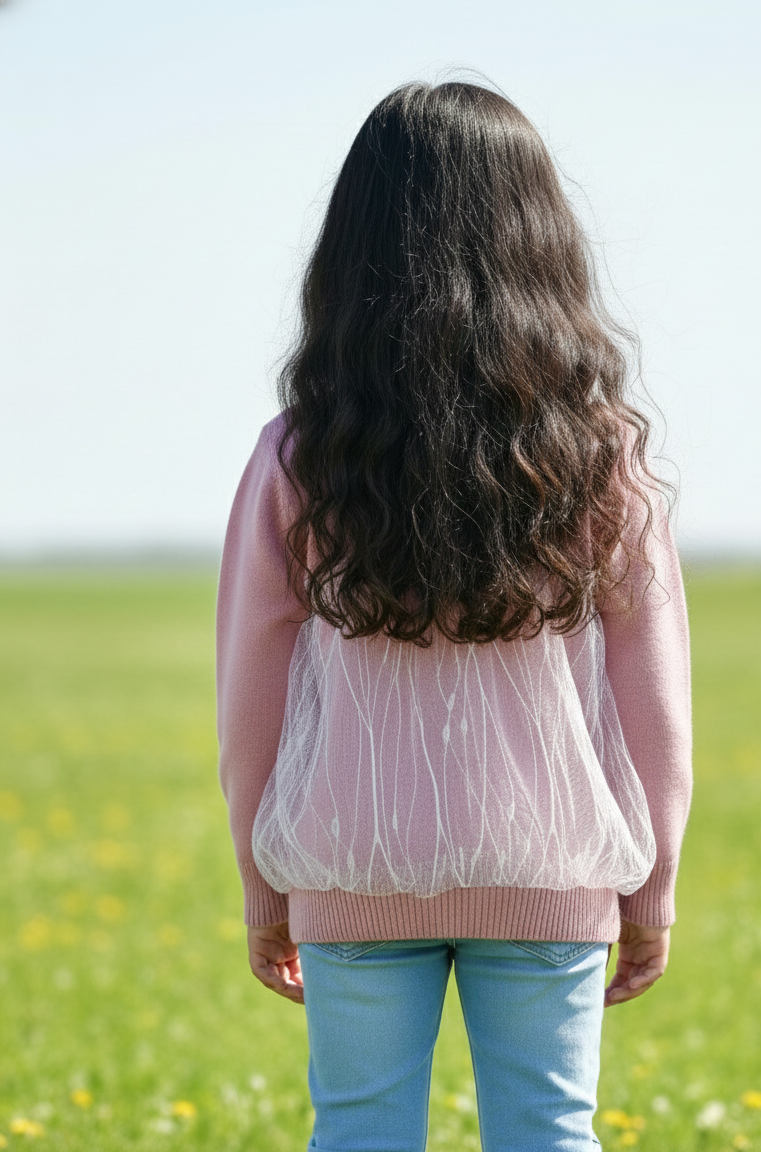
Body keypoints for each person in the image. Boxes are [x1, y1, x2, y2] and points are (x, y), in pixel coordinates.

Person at [216, 79, 692, 1152]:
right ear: (541, 243)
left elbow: (248, 690)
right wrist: (651, 884)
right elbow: (653, 694)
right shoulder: (599, 453)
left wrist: (263, 885)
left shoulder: (299, 454)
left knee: (359, 1132)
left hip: (351, 857)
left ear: (350, 250)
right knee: (547, 1133)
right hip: (551, 862)